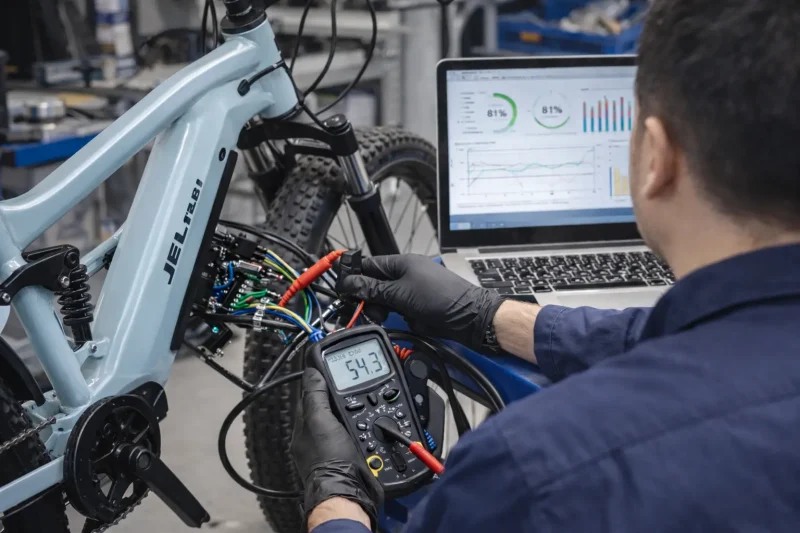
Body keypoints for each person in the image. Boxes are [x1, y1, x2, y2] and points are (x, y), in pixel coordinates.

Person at [289, 1, 800, 531]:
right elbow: (660, 332)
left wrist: (336, 502)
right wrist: (488, 314)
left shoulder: (533, 467)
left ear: (657, 158)